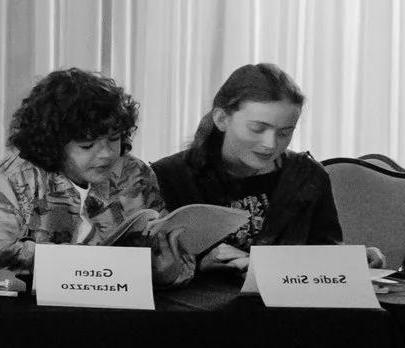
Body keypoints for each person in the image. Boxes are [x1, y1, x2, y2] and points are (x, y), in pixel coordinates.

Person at [0, 67, 193, 286]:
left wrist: (169, 274)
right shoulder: (17, 177)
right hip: (37, 306)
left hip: (121, 304)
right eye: (87, 145)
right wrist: (90, 263)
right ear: (54, 144)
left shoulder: (134, 174)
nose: (106, 154)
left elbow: (182, 254)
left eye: (114, 138)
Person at [151, 63, 383, 269]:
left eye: (285, 132)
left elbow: (324, 252)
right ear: (221, 119)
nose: (270, 144)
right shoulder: (170, 176)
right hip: (202, 301)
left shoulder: (307, 175)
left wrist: (352, 260)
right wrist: (197, 267)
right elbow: (154, 266)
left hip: (289, 301)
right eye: (257, 128)